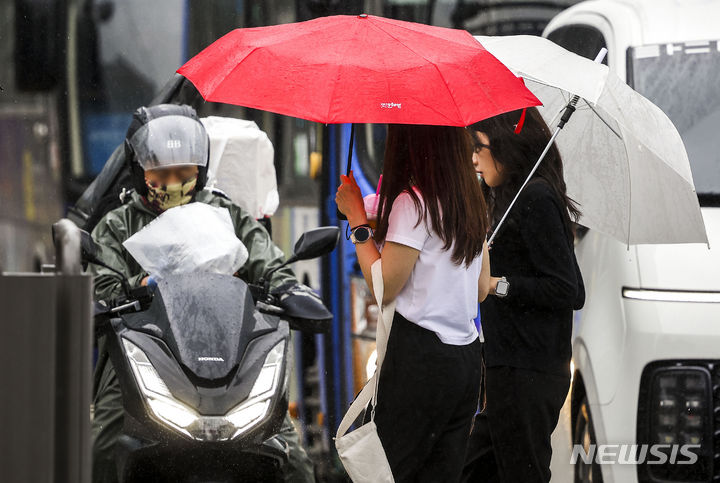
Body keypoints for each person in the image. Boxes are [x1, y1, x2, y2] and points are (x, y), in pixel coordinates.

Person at [90, 104, 316, 483]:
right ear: (139, 171)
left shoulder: (225, 214)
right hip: (145, 354)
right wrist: (140, 287)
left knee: (292, 458)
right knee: (104, 446)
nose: (173, 180)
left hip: (231, 347)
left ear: (201, 170)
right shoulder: (116, 225)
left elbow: (268, 260)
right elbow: (103, 285)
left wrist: (288, 288)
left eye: (184, 172)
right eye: (161, 173)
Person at [335, 124, 491, 482]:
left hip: (420, 362)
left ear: (410, 142)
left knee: (390, 473)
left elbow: (384, 286)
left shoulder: (413, 203)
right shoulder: (471, 201)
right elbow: (481, 288)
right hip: (465, 363)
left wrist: (357, 219)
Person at [462, 107, 585, 483]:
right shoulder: (504, 198)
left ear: (507, 146)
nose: (474, 159)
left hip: (529, 372)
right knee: (472, 471)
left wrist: (498, 284)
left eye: (479, 147)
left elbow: (569, 289)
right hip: (507, 367)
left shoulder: (536, 198)